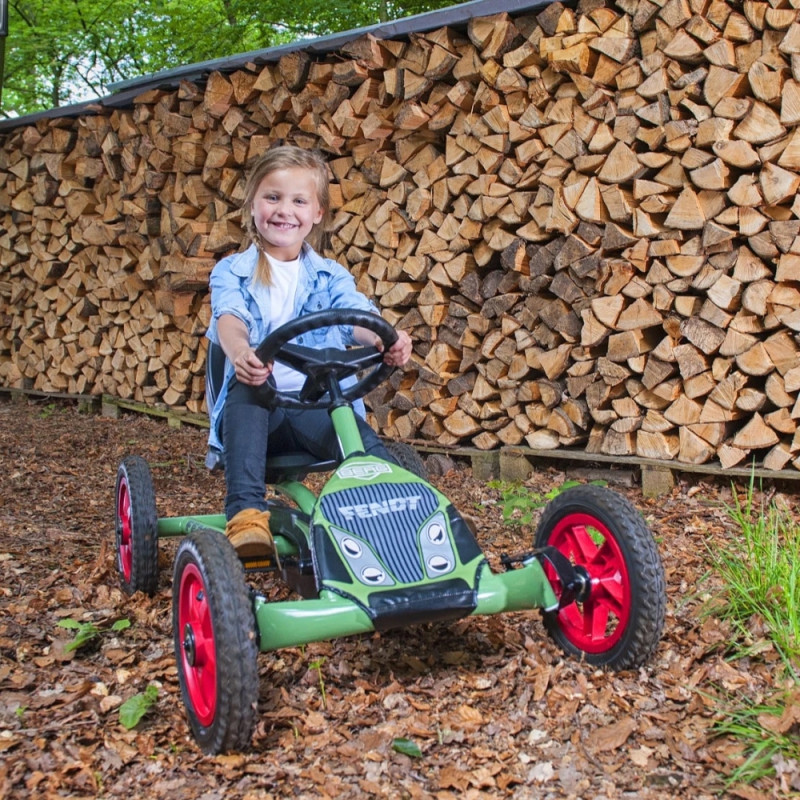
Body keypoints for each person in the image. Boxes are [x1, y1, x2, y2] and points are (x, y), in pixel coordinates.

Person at [206, 145, 413, 559]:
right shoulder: (232, 270)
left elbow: (352, 313)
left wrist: (381, 339)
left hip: (314, 413)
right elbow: (229, 317)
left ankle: (400, 516)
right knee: (249, 387)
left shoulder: (329, 274)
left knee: (358, 436)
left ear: (317, 213)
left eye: (299, 200)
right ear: (252, 205)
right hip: (257, 423)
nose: (285, 210)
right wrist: (241, 350)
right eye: (273, 197)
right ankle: (247, 515)